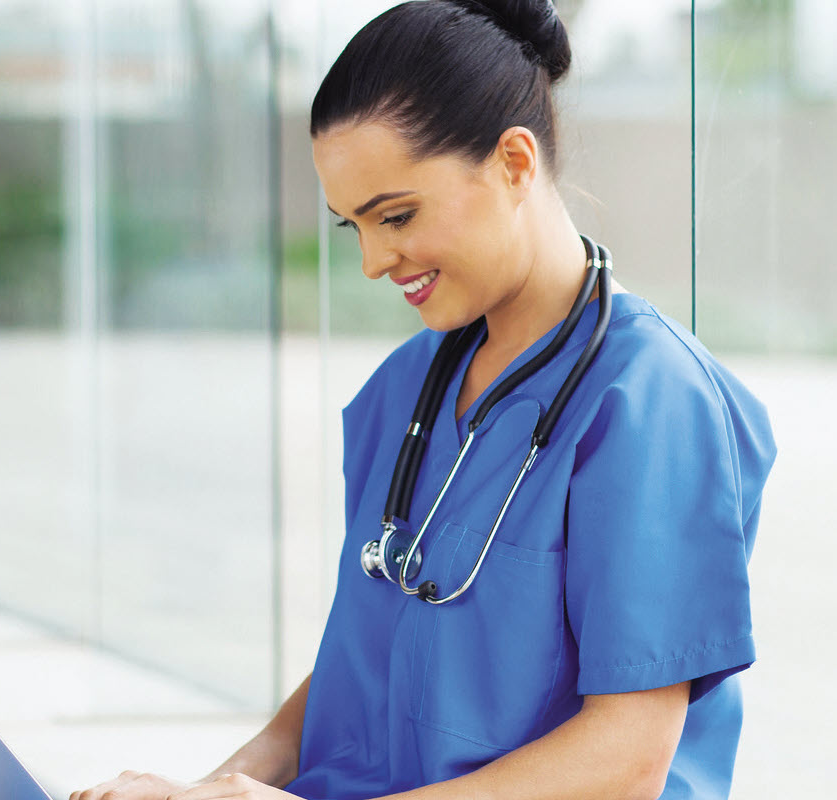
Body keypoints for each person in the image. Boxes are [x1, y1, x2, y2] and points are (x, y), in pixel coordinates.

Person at [71, 1, 773, 799]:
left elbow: (627, 760)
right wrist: (204, 790)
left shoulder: (651, 402)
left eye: (396, 216)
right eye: (352, 228)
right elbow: (364, 658)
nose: (373, 261)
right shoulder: (406, 389)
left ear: (513, 164)